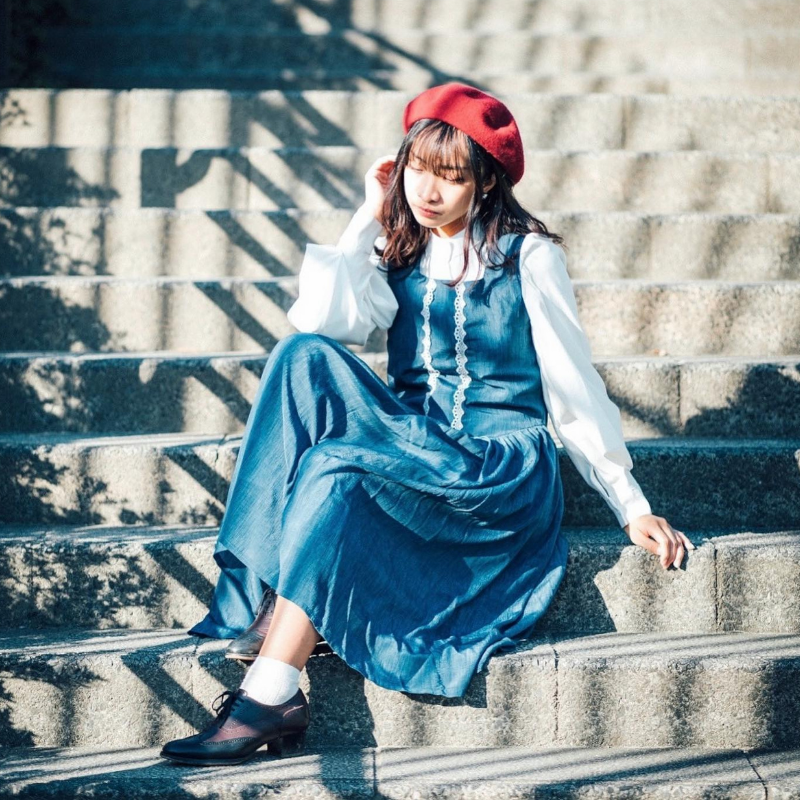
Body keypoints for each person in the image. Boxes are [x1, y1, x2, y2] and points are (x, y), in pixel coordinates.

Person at [160, 82, 693, 767]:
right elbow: (319, 321)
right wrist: (366, 216)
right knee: (302, 357)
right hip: (414, 449)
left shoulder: (528, 256)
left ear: (486, 182)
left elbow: (573, 386)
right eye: (417, 169)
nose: (428, 191)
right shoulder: (400, 254)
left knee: (335, 469)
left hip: (495, 467)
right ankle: (279, 593)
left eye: (451, 176)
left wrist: (630, 503)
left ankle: (268, 692)